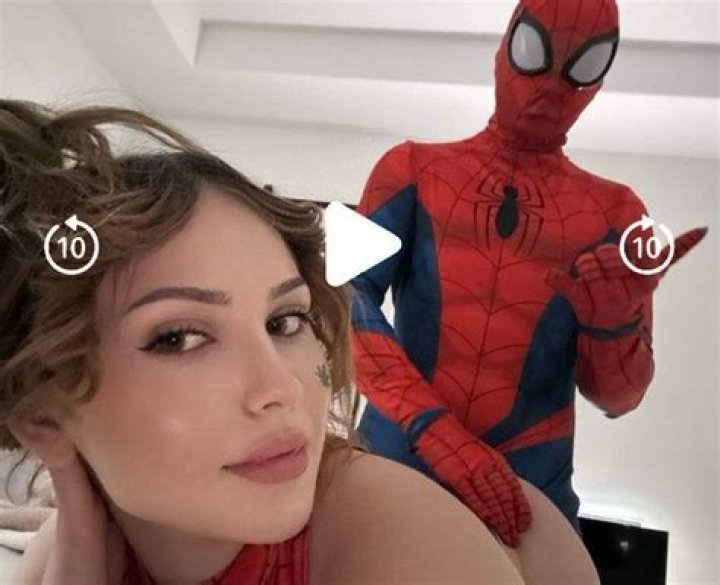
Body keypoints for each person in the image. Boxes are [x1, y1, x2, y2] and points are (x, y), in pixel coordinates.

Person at [1, 99, 598, 585]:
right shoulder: (59, 552)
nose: (281, 387)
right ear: (42, 416)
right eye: (179, 338)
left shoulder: (401, 541)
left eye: (286, 322)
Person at [350, 0, 707, 546]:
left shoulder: (618, 212)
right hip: (399, 454)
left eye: (583, 66)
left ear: (597, 84)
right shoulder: (409, 167)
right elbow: (342, 299)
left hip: (528, 482)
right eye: (533, 52)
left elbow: (619, 398)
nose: (552, 87)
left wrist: (611, 325)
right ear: (503, 50)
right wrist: (433, 430)